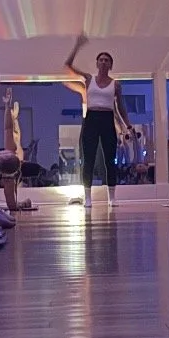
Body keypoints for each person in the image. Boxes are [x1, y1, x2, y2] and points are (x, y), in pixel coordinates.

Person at [63, 34, 132, 208]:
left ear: (110, 65)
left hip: (107, 119)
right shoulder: (88, 79)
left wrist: (128, 125)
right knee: (89, 158)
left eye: (106, 60)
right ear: (97, 63)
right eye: (100, 60)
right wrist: (77, 46)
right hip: (92, 118)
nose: (103, 62)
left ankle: (112, 197)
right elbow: (68, 65)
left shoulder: (116, 85)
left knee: (110, 159)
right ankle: (87, 197)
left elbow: (120, 107)